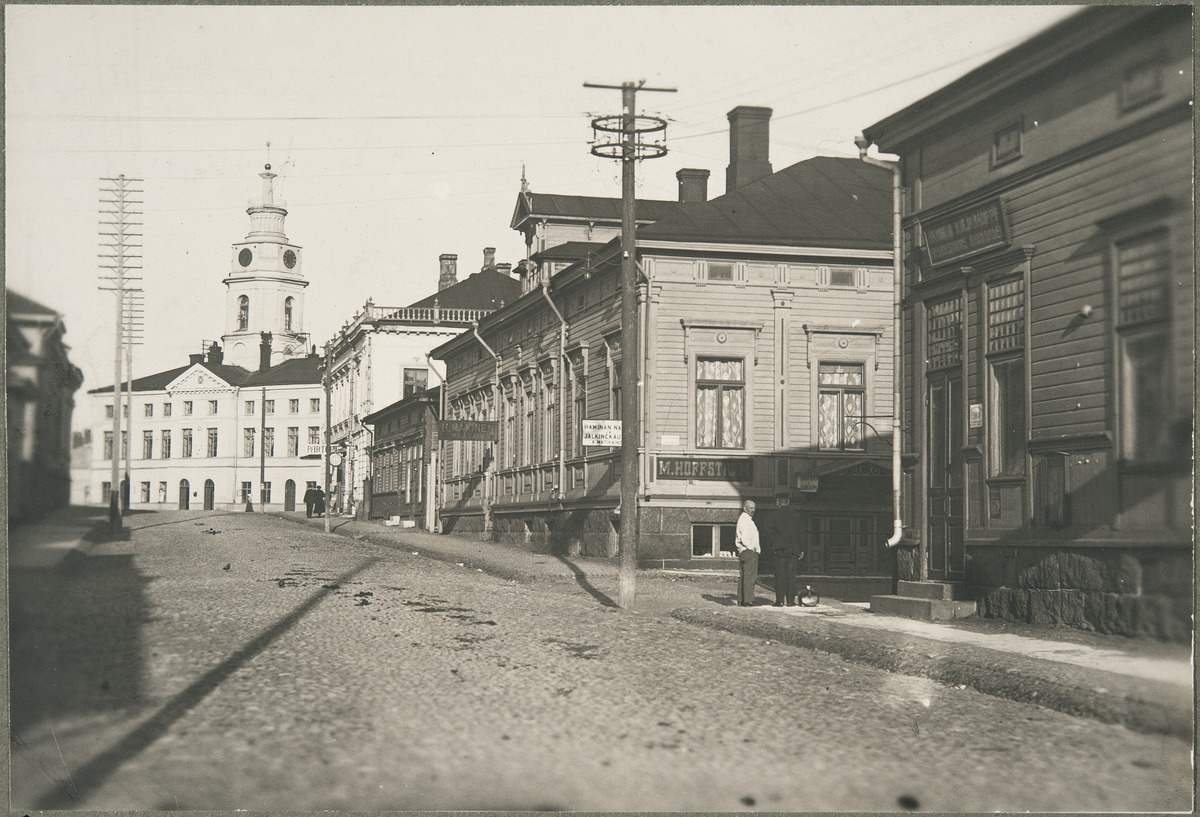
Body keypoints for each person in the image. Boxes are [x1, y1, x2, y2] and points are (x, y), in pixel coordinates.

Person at [766, 491, 804, 606]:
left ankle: (780, 601)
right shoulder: (796, 515)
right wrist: (800, 549)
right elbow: (801, 534)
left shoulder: (773, 515)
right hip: (793, 550)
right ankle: (791, 601)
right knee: (791, 576)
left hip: (779, 550)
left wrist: (774, 544)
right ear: (788, 502)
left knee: (780, 576)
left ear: (778, 502)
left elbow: (768, 532)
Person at [735, 499, 761, 607]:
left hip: (745, 551)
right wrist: (752, 548)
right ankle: (748, 600)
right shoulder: (745, 520)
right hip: (748, 551)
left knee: (745, 576)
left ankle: (742, 599)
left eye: (754, 508)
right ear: (744, 508)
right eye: (751, 508)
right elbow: (745, 538)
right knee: (750, 576)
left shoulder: (745, 519)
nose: (753, 510)